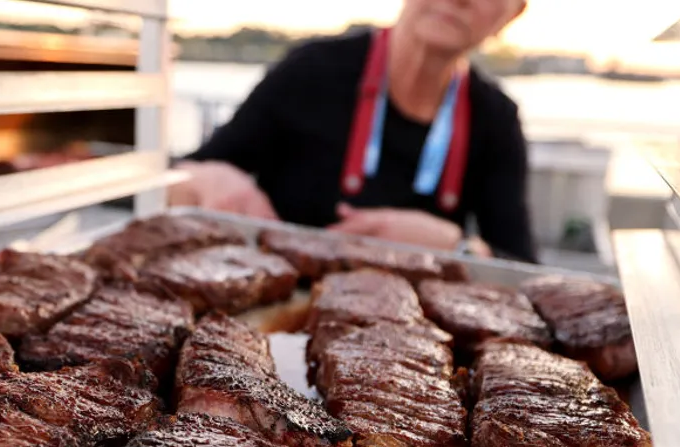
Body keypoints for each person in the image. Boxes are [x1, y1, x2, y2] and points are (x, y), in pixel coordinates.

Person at [170, 0, 536, 262]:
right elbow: (184, 175)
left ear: (513, 12)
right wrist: (209, 178)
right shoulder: (310, 71)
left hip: (412, 334)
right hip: (273, 304)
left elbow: (521, 267)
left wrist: (456, 246)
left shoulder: (496, 119)